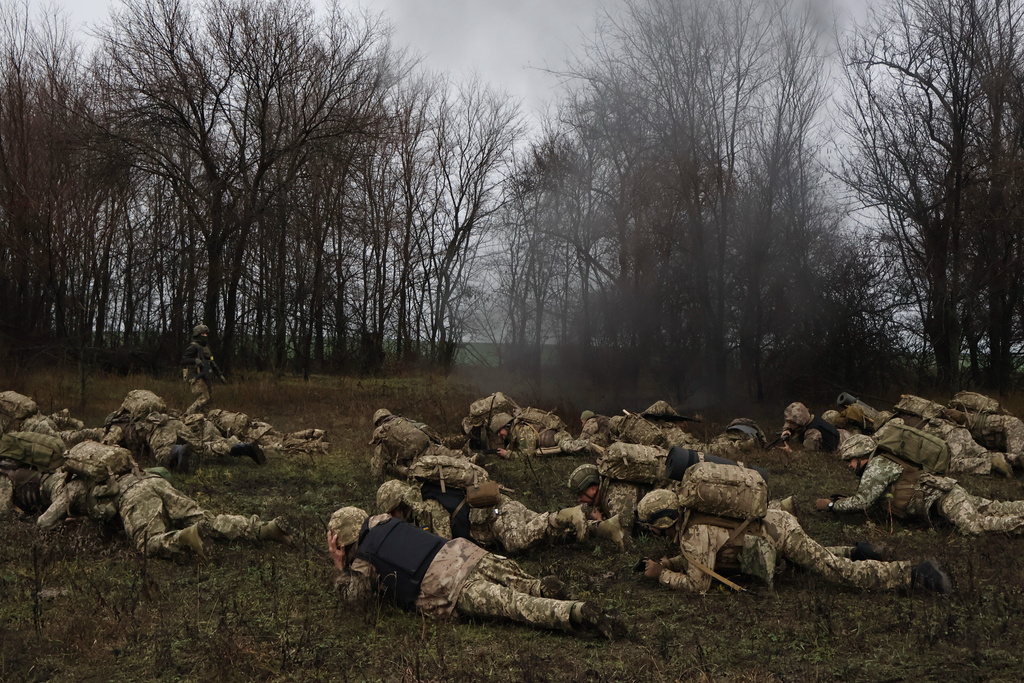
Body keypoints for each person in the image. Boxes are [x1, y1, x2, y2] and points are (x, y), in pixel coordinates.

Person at [325, 506, 624, 639]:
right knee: (521, 584)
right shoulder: (385, 521)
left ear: (344, 539)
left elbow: (357, 602)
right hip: (466, 552)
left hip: (448, 585)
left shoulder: (364, 560)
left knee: (515, 606)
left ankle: (575, 612)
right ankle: (541, 587)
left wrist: (340, 566)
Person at [635, 486, 951, 593]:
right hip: (771, 531)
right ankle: (858, 550)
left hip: (778, 534)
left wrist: (661, 574)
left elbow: (698, 585)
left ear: (663, 523)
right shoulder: (692, 518)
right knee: (812, 561)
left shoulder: (692, 534)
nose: (650, 532)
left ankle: (915, 573)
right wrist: (671, 562)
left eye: (650, 527)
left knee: (833, 571)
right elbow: (704, 556)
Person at [35, 453, 293, 559]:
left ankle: (184, 538)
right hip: (152, 480)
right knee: (203, 516)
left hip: (134, 496)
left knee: (148, 542)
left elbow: (44, 522)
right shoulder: (105, 462)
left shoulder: (67, 488)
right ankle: (262, 529)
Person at [816, 433, 1024, 536]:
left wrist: (832, 506)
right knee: (995, 507)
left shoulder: (877, 466)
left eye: (849, 460)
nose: (849, 466)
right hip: (946, 492)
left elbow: (862, 502)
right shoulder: (883, 461)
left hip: (944, 499)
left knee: (975, 527)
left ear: (862, 456)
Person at [374, 478, 620, 554]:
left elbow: (445, 546)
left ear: (399, 505)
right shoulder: (424, 503)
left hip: (496, 514)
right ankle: (604, 528)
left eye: (392, 512)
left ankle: (565, 515)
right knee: (547, 538)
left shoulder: (429, 508)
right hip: (500, 510)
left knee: (517, 541)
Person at [182, 324, 223, 414]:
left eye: (206, 334)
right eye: (203, 334)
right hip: (195, 377)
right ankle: (187, 415)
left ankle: (202, 420)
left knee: (209, 402)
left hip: (206, 376)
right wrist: (194, 360)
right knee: (203, 398)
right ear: (198, 335)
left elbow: (211, 361)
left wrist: (219, 374)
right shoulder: (193, 346)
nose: (205, 336)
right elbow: (183, 360)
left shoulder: (206, 348)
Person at [777, 402, 842, 452]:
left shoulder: (812, 433)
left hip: (841, 444)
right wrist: (787, 430)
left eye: (791, 423)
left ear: (799, 423)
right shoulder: (808, 419)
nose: (789, 425)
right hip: (839, 432)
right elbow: (793, 425)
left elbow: (807, 455)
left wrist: (790, 451)